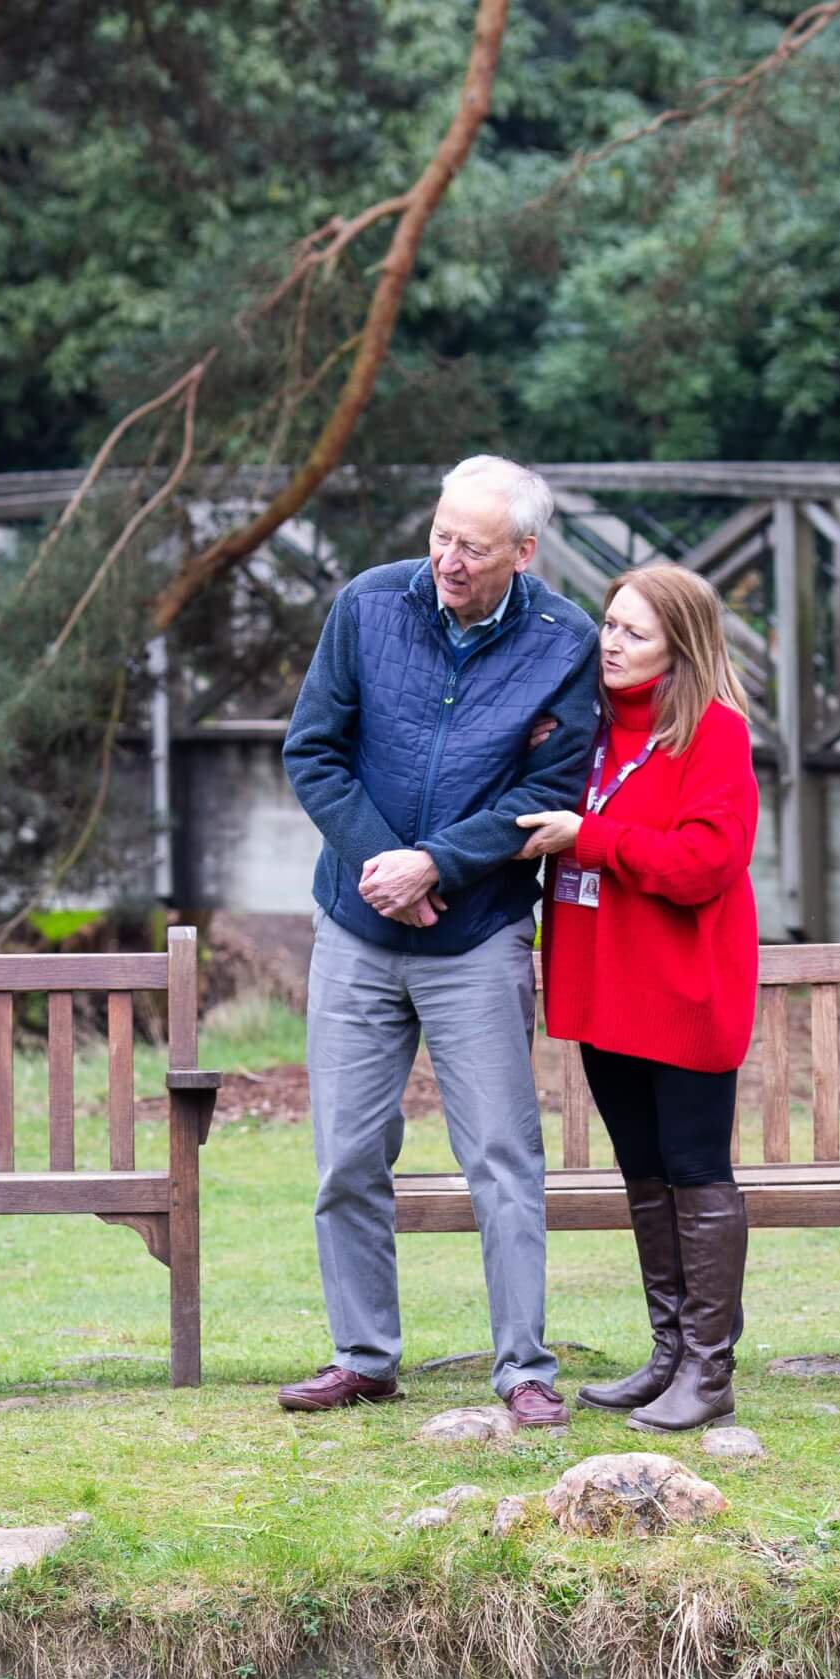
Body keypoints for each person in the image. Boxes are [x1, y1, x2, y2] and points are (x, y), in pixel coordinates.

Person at [277, 455, 601, 1426]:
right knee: (346, 1155)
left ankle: (524, 1368)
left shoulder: (564, 641)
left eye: (474, 546)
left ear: (524, 552)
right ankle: (363, 1356)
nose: (449, 560)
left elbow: (549, 793)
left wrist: (440, 868)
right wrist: (388, 864)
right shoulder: (368, 606)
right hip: (355, 926)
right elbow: (314, 750)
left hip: (478, 936)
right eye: (441, 535)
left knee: (502, 1157)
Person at [517, 564, 759, 1433]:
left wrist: (593, 838)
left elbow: (703, 865)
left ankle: (709, 1369)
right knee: (644, 1174)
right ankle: (667, 1355)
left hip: (683, 990)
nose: (609, 644)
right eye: (608, 627)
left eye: (633, 633)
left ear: (680, 647)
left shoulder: (713, 734)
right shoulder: (583, 731)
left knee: (695, 1173)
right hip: (603, 989)